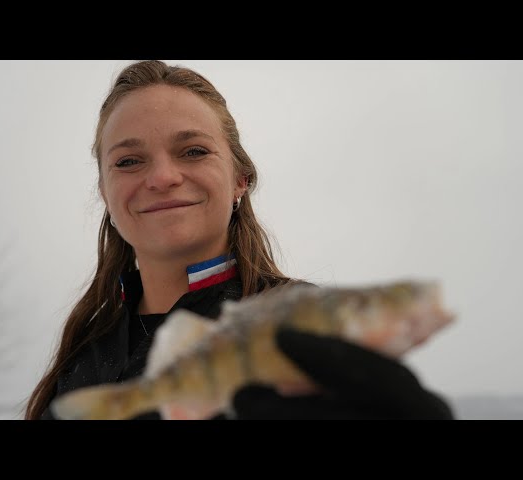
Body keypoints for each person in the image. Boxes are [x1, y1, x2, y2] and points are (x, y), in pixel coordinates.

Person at [24, 60, 454, 420]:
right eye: (129, 160)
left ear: (239, 180)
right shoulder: (82, 353)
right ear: (105, 191)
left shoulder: (312, 330)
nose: (161, 177)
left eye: (193, 150)